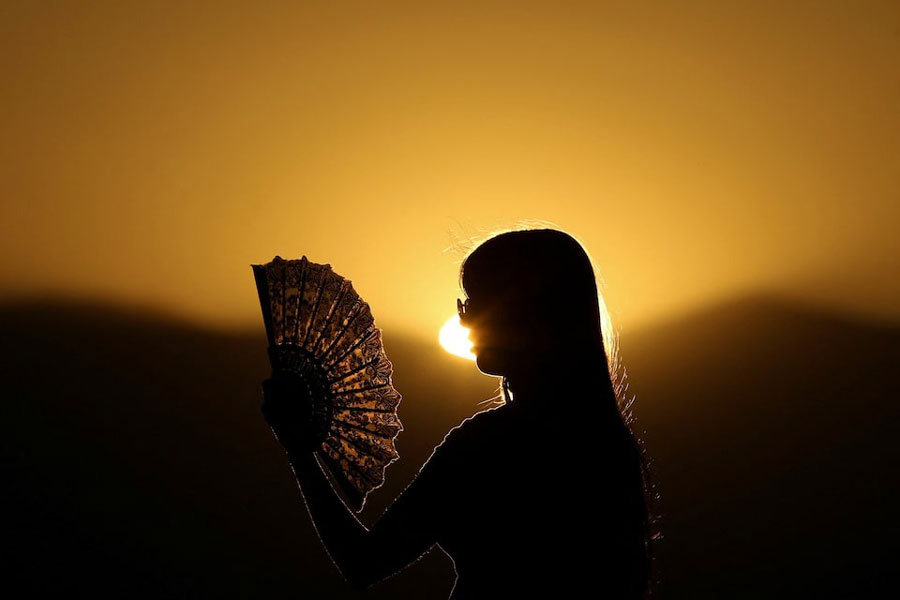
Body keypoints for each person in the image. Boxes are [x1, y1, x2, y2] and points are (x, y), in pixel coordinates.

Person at [261, 228, 654, 598]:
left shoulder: (487, 445)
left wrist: (299, 447)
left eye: (477, 302)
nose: (464, 320)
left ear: (526, 314)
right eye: (465, 304)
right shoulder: (610, 446)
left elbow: (363, 562)